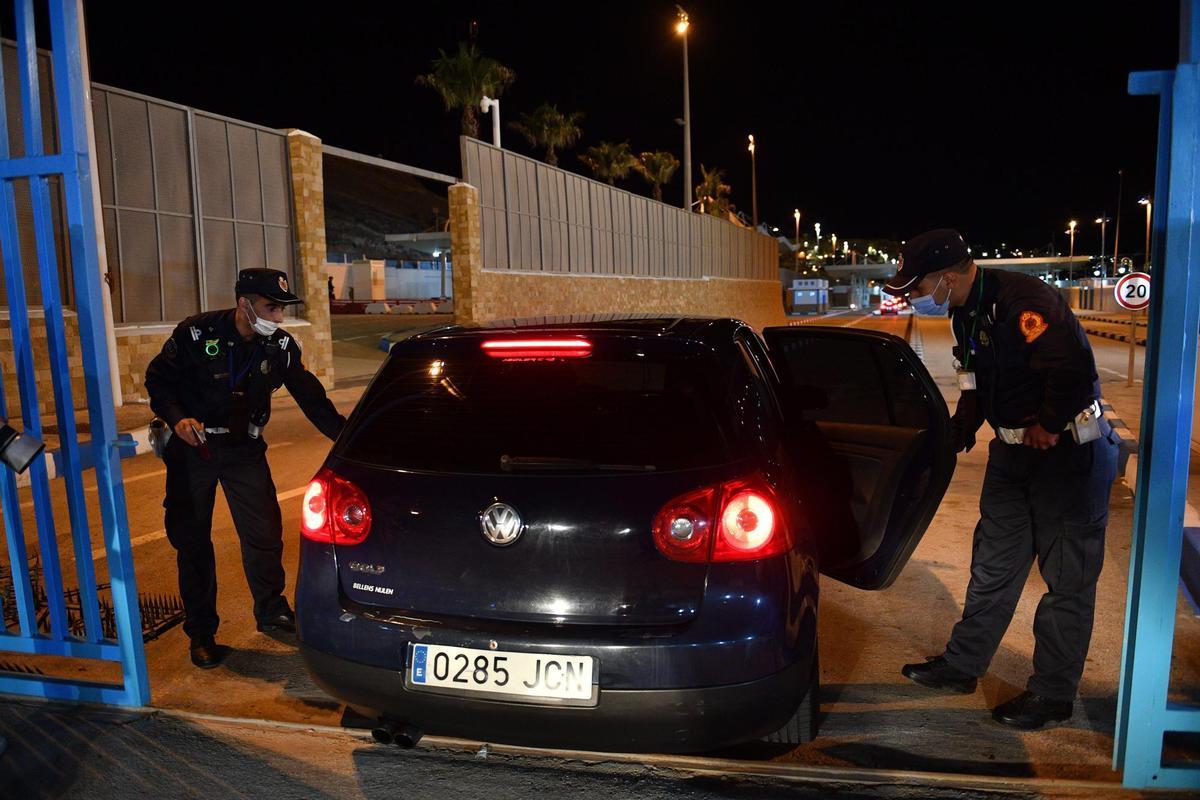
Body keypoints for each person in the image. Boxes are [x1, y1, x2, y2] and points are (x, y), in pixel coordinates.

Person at [885, 229, 1118, 729]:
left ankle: (1052, 695)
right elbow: (972, 376)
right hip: (1011, 458)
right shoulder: (964, 312)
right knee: (992, 566)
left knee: (1067, 582)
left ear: (947, 276)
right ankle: (963, 666)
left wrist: (1048, 424)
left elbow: (1072, 369)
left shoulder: (1025, 302)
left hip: (1067, 457)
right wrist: (962, 427)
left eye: (920, 286)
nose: (916, 297)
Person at [145, 268, 346, 669]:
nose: (279, 318)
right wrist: (177, 418)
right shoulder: (196, 334)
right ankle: (201, 633)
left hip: (244, 448)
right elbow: (157, 380)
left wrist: (348, 439)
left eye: (281, 309)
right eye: (271, 308)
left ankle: (271, 607)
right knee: (193, 542)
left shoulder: (281, 347)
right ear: (244, 305)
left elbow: (312, 399)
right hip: (194, 450)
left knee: (265, 533)